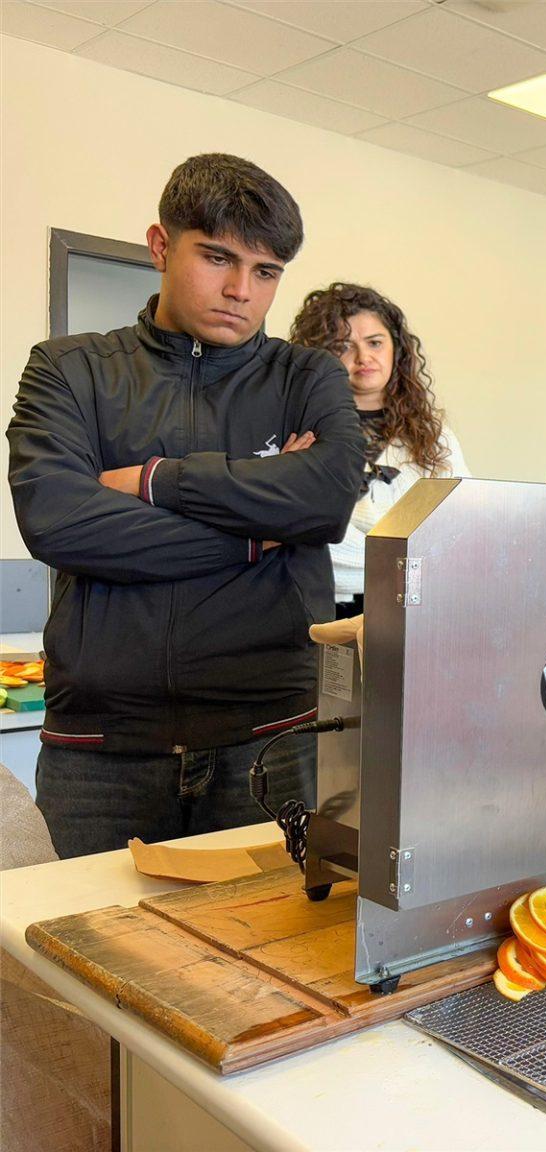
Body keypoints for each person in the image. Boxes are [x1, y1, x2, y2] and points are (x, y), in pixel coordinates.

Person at [6, 153, 364, 859]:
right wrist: (258, 536)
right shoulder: (67, 368)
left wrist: (154, 480)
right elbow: (58, 519)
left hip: (271, 737)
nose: (241, 290)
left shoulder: (307, 376)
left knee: (269, 960)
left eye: (266, 272)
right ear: (161, 246)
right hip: (101, 750)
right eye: (217, 258)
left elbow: (325, 502)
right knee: (80, 961)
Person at [290, 283, 469, 618]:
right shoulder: (298, 432)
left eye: (375, 343)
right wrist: (405, 565)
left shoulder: (435, 437)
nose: (364, 358)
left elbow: (460, 530)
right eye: (343, 347)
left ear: (396, 348)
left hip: (417, 614)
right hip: (321, 612)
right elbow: (301, 541)